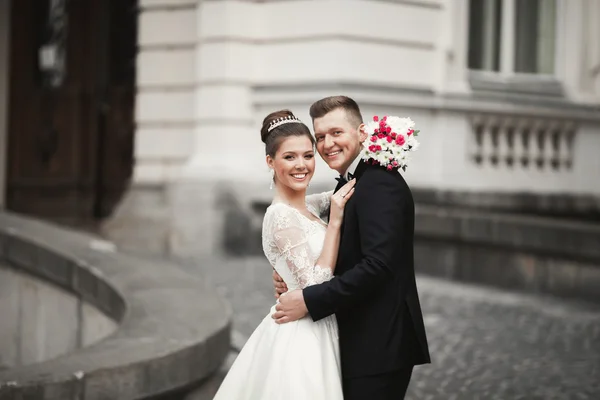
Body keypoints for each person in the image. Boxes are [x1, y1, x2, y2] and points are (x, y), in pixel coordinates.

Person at [272, 96, 431, 399]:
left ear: (361, 133)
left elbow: (378, 267)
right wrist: (292, 274)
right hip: (358, 340)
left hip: (378, 345)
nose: (327, 143)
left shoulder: (379, 183)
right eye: (320, 137)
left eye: (336, 133)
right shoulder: (353, 181)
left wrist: (308, 299)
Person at [213, 109, 356, 399]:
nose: (301, 165)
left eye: (307, 155)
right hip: (301, 336)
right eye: (289, 157)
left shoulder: (312, 206)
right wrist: (336, 224)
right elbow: (315, 285)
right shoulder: (280, 217)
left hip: (326, 326)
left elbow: (349, 190)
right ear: (270, 161)